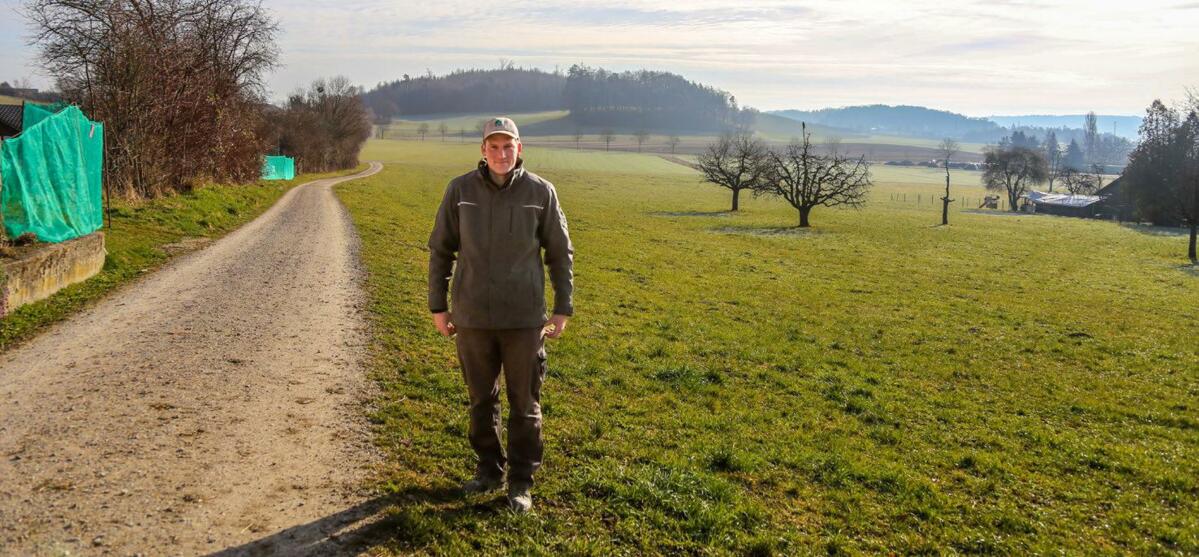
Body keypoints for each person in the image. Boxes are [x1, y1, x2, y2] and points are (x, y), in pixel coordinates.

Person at [427, 116, 574, 513]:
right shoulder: (459, 191)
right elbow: (441, 250)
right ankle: (488, 470)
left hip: (525, 319)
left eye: (508, 146)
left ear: (519, 149)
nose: (501, 153)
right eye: (493, 146)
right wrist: (439, 307)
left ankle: (521, 483)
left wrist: (563, 308)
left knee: (525, 404)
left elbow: (560, 254)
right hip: (472, 316)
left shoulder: (541, 192)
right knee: (480, 401)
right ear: (483, 150)